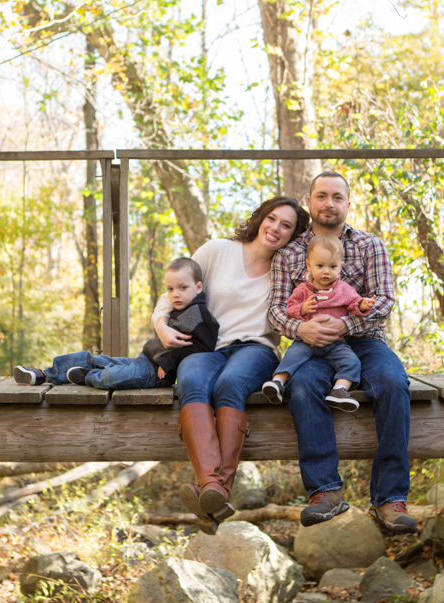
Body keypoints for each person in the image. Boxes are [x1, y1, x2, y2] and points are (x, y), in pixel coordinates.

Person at [268, 171, 417, 534]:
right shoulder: (289, 253)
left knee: (393, 382)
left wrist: (347, 326)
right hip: (312, 345)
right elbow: (275, 309)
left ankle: (389, 498)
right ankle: (326, 491)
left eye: (337, 197)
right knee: (302, 388)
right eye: (321, 196)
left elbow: (383, 301)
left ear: (348, 204)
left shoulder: (370, 246)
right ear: (310, 201)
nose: (329, 203)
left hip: (365, 342)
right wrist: (299, 328)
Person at [154, 196, 310, 534]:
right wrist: (161, 325)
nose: (276, 228)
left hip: (256, 348)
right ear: (260, 219)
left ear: (294, 235)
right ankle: (215, 491)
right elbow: (173, 290)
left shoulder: (289, 270)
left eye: (287, 225)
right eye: (272, 219)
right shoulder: (216, 250)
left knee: (230, 384)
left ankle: (212, 488)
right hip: (206, 345)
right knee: (191, 381)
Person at [12, 257, 218, 390]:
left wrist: (169, 362)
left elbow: (203, 347)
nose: (175, 294)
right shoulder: (181, 308)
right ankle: (43, 374)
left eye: (183, 287)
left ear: (198, 287)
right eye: (170, 289)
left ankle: (86, 376)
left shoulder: (199, 314)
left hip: (156, 375)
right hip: (145, 360)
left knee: (110, 377)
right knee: (95, 358)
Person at [261, 234, 377, 412]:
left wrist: (363, 304)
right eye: (320, 266)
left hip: (335, 342)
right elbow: (289, 308)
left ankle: (339, 390)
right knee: (292, 356)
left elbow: (354, 304)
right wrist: (302, 309)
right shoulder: (303, 290)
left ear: (340, 268)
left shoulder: (344, 289)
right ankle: (277, 382)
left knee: (352, 362)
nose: (326, 271)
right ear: (309, 265)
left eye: (332, 266)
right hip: (306, 341)